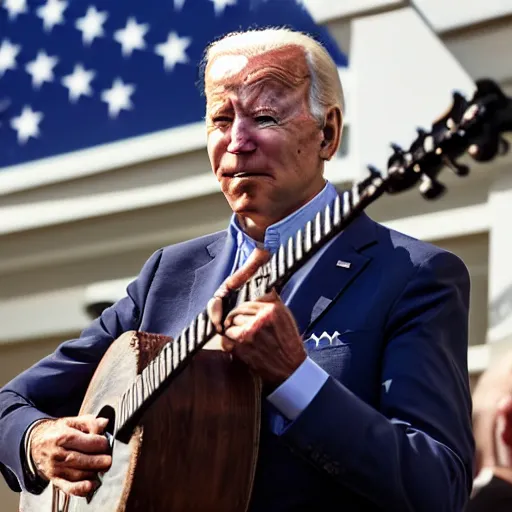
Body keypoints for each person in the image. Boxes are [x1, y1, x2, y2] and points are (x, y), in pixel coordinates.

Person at [0, 28, 474, 511]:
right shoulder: (169, 274)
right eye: (220, 118)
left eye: (265, 116)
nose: (237, 141)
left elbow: (438, 487)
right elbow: (7, 408)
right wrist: (36, 441)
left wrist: (294, 377)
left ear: (327, 133)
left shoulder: (415, 276)